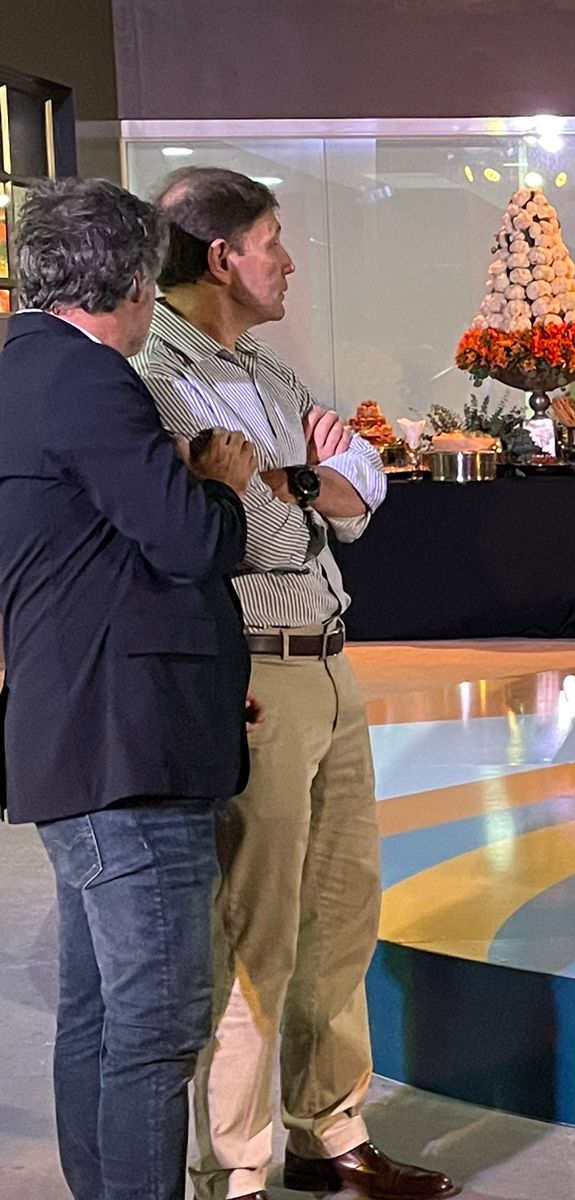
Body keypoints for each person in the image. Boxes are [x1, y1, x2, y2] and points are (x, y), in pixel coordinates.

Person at [134, 166, 455, 1200]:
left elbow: (365, 494)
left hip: (330, 662)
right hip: (255, 678)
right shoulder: (156, 372)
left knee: (340, 917)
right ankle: (231, 1167)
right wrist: (302, 495)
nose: (289, 263)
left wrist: (295, 482)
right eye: (273, 241)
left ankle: (330, 1133)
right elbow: (254, 538)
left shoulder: (266, 370)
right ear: (223, 256)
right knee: (252, 933)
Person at [0, 177, 258, 1200]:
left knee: (101, 1014)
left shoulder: (22, 367)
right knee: (155, 1024)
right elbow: (190, 542)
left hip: (80, 732)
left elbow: (98, 552)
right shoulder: (88, 379)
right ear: (134, 286)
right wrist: (222, 486)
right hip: (125, 750)